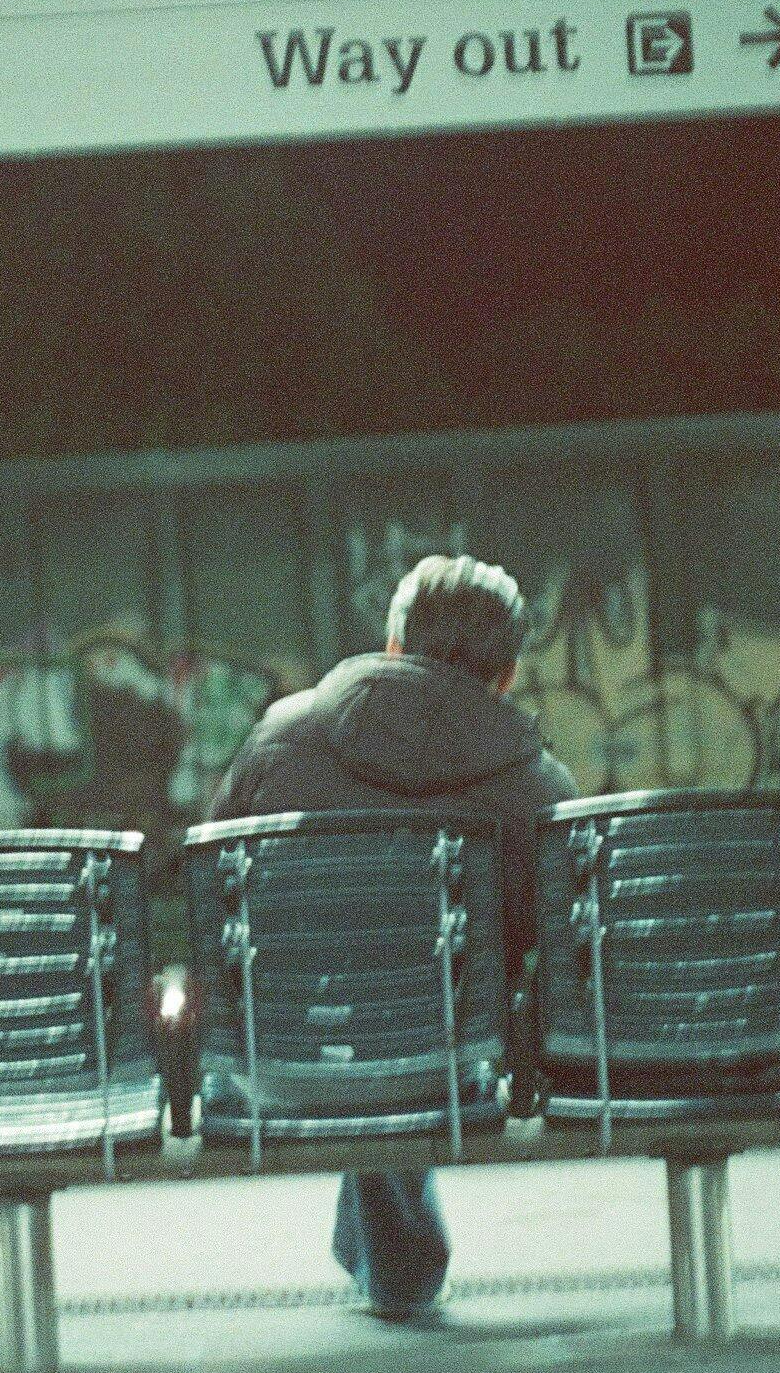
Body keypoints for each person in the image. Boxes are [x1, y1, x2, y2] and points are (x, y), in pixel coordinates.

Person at [202, 552, 579, 1322]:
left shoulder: (280, 736)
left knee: (366, 1021)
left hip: (286, 1052)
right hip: (449, 1059)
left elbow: (214, 893)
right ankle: (399, 1266)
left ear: (394, 644)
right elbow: (557, 940)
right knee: (413, 1019)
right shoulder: (537, 785)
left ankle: (396, 1266)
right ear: (508, 674)